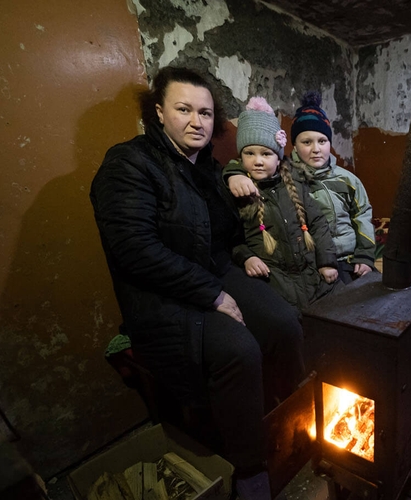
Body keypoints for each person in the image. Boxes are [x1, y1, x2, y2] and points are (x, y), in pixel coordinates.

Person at [89, 66, 303, 500]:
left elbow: (224, 238)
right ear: (159, 112)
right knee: (238, 350)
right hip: (159, 294)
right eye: (183, 109)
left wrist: (241, 255)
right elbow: (134, 250)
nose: (196, 121)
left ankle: (290, 418)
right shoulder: (129, 163)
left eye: (205, 113)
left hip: (211, 273)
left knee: (285, 322)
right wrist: (214, 294)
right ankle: (250, 468)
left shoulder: (207, 167)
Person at [228, 91, 376, 284]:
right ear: (294, 146)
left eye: (322, 141)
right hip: (313, 261)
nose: (316, 149)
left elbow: (362, 215)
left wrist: (365, 256)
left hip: (349, 257)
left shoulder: (347, 180)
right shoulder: (288, 175)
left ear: (330, 143)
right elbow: (251, 163)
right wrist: (234, 174)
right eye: (307, 142)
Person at [226, 96, 340, 312]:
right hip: (275, 283)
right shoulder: (239, 191)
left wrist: (327, 261)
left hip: (313, 276)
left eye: (266, 153)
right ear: (240, 158)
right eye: (250, 153)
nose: (258, 160)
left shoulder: (295, 184)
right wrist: (246, 257)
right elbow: (231, 237)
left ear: (278, 158)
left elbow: (317, 222)